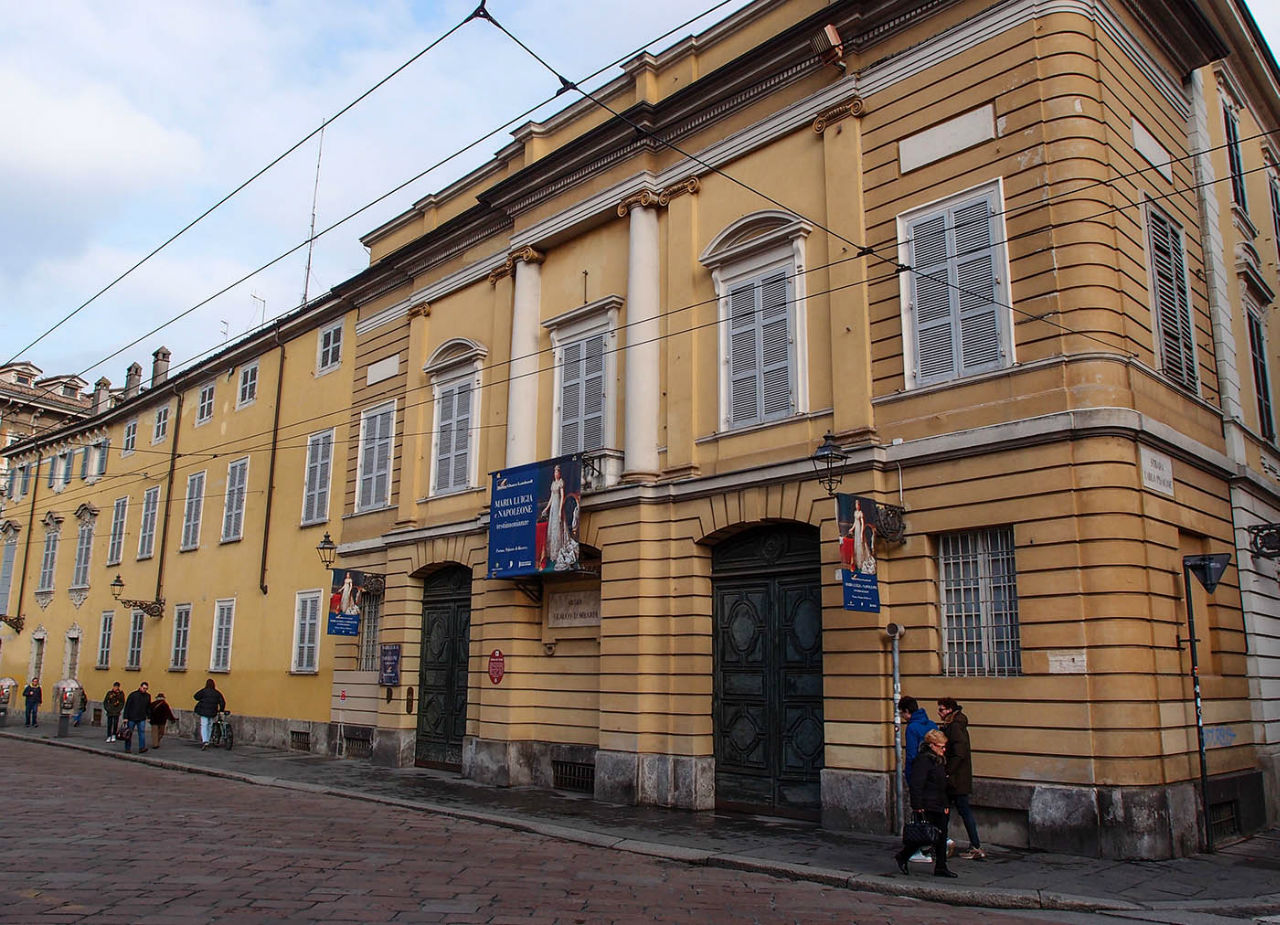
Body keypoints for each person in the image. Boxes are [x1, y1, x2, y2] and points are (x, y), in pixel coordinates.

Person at [895, 728, 956, 878]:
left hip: (940, 804)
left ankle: (941, 867)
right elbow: (917, 784)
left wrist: (946, 805)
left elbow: (942, 785)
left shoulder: (939, 760)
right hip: (927, 804)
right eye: (941, 746)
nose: (944, 749)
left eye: (944, 746)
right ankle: (903, 855)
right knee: (924, 836)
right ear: (932, 745)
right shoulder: (923, 760)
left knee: (941, 837)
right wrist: (917, 806)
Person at [938, 697, 985, 860]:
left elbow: (959, 752)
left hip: (956, 779)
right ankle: (973, 845)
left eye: (942, 709)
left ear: (950, 710)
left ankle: (974, 846)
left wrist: (948, 772)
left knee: (950, 811)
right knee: (958, 811)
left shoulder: (955, 726)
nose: (939, 712)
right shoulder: (954, 724)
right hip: (958, 777)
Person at [540, 464, 566, 570]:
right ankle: (551, 553)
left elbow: (562, 496)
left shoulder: (561, 482)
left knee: (556, 528)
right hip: (553, 506)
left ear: (559, 474)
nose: (556, 474)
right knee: (552, 527)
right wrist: (546, 508)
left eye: (557, 472)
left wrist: (560, 510)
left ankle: (557, 552)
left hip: (558, 505)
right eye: (554, 472)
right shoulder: (553, 483)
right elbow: (551, 497)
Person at [193, 678, 226, 750]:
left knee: (204, 725)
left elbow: (195, 696)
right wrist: (221, 710)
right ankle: (207, 739)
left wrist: (202, 699)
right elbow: (222, 702)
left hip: (203, 710)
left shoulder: (204, 691)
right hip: (212, 711)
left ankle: (205, 741)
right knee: (210, 725)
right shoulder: (217, 693)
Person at [122, 681, 151, 754]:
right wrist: (125, 717)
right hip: (132, 717)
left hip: (142, 718)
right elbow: (127, 706)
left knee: (142, 733)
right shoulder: (133, 695)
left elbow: (148, 707)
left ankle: (142, 747)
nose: (145, 690)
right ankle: (127, 748)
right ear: (140, 687)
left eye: (146, 689)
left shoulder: (147, 696)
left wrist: (149, 716)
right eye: (144, 688)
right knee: (128, 733)